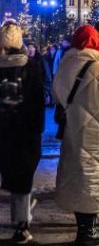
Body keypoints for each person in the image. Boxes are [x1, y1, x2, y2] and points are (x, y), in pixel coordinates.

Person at [52, 25, 99, 246]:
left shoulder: (66, 64)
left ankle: (83, 228)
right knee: (95, 177)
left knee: (78, 177)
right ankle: (89, 230)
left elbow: (57, 95)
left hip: (74, 127)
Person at [0, 22, 45, 244]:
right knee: (22, 181)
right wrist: (36, 131)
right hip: (25, 133)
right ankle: (21, 226)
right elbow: (38, 103)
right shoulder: (33, 66)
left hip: (3, 130)